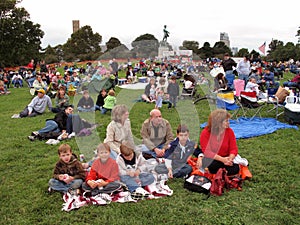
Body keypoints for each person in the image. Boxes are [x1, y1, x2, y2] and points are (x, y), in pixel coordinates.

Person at [199, 109, 240, 175]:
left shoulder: (229, 131)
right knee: (212, 165)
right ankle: (221, 173)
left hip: (227, 158)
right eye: (226, 121)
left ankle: (221, 173)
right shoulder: (205, 133)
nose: (228, 123)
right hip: (214, 158)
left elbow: (233, 148)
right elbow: (207, 151)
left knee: (235, 168)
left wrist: (230, 158)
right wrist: (222, 159)